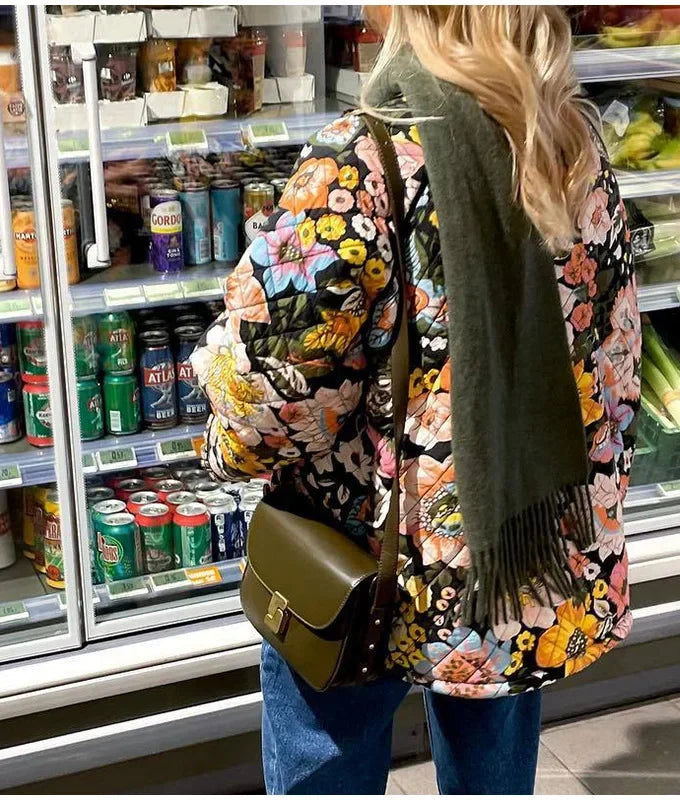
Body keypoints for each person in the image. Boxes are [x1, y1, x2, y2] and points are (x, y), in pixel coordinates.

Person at [193, 5, 640, 795]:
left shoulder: (363, 160)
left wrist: (220, 427)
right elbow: (615, 360)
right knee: (494, 771)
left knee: (326, 766)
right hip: (515, 551)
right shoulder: (569, 141)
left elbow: (269, 386)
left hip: (363, 553)